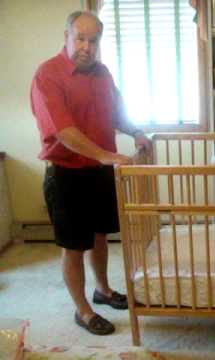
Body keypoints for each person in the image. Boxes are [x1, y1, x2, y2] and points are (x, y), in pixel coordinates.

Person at [30, 10, 151, 335]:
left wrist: (135, 131)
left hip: (99, 172)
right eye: (80, 38)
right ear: (66, 36)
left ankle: (103, 290)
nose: (86, 46)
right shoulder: (47, 75)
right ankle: (82, 310)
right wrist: (107, 155)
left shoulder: (103, 73)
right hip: (67, 173)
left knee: (100, 236)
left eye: (93, 40)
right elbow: (64, 131)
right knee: (74, 246)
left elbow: (116, 110)